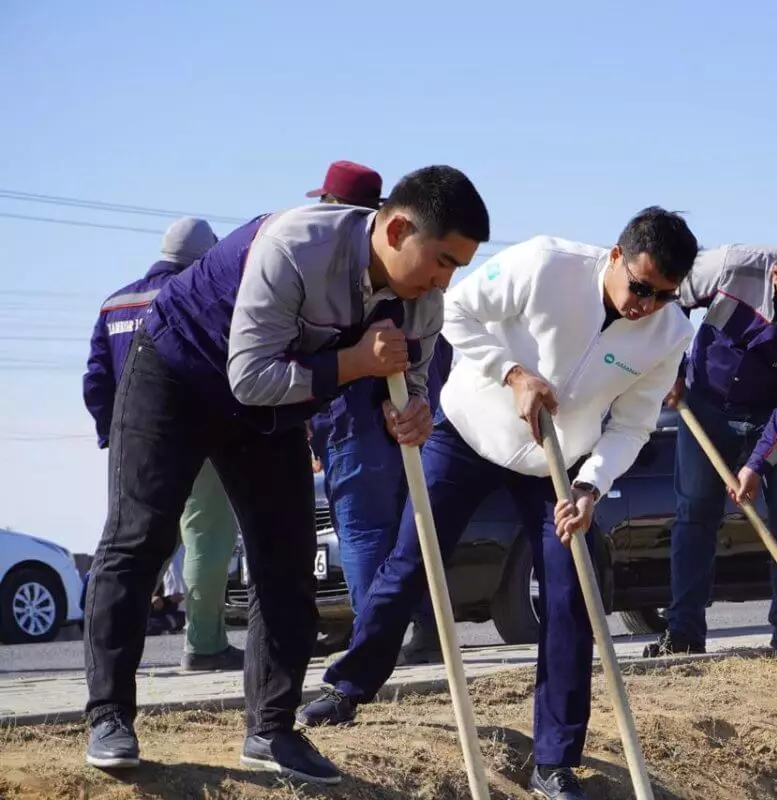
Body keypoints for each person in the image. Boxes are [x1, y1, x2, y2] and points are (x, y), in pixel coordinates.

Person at [81, 165, 490, 785]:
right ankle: (109, 715)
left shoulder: (423, 300)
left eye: (457, 266)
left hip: (270, 414)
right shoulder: (295, 246)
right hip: (179, 373)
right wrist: (351, 363)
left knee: (286, 561)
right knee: (139, 539)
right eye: (441, 260)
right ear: (398, 227)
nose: (445, 280)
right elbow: (249, 377)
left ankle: (270, 729)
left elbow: (409, 380)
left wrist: (411, 413)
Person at [297, 207, 700, 800]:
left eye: (663, 296)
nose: (644, 305)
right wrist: (513, 373)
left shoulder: (670, 335)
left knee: (570, 596)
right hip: (466, 432)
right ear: (616, 257)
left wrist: (591, 486)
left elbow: (635, 424)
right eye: (639, 287)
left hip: (558, 464)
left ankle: (554, 761)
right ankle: (349, 686)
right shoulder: (545, 263)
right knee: (412, 562)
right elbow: (455, 311)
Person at [642, 233, 777, 661]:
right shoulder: (730, 267)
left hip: (776, 415)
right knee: (695, 511)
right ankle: (683, 633)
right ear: (776, 275)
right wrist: (670, 369)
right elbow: (669, 298)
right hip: (705, 404)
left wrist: (759, 462)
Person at [303, 159, 452, 658]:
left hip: (358, 418)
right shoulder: (410, 278)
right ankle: (424, 632)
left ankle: (374, 646)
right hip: (408, 418)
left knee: (365, 528)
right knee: (412, 527)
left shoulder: (336, 277)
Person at [82, 217, 244, 672]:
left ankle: (111, 649)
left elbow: (96, 379)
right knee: (206, 538)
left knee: (132, 543)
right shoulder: (202, 296)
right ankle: (205, 645)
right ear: (203, 254)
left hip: (132, 443)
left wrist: (111, 436)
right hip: (198, 437)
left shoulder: (115, 303)